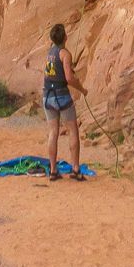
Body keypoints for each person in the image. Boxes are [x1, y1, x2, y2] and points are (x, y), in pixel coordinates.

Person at [42, 23, 86, 181]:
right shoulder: (65, 54)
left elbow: (49, 73)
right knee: (73, 131)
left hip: (47, 95)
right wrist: (82, 89)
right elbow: (68, 78)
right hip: (61, 96)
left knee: (53, 133)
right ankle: (75, 169)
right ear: (65, 37)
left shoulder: (49, 53)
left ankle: (53, 170)